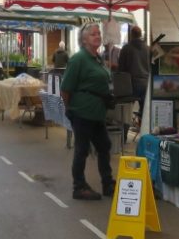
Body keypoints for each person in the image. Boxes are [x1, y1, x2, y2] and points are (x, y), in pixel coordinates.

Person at [60, 22, 115, 201]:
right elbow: (66, 88)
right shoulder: (78, 59)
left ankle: (108, 183)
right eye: (93, 34)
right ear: (84, 40)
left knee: (104, 146)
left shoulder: (97, 58)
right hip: (82, 112)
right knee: (82, 150)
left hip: (97, 113)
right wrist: (70, 109)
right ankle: (79, 186)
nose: (97, 36)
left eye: (98, 33)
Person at [117, 25, 150, 115]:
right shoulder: (148, 48)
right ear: (140, 35)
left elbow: (121, 68)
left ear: (131, 35)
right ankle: (142, 127)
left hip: (131, 84)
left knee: (127, 110)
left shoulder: (126, 48)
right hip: (146, 82)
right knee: (144, 112)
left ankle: (128, 125)